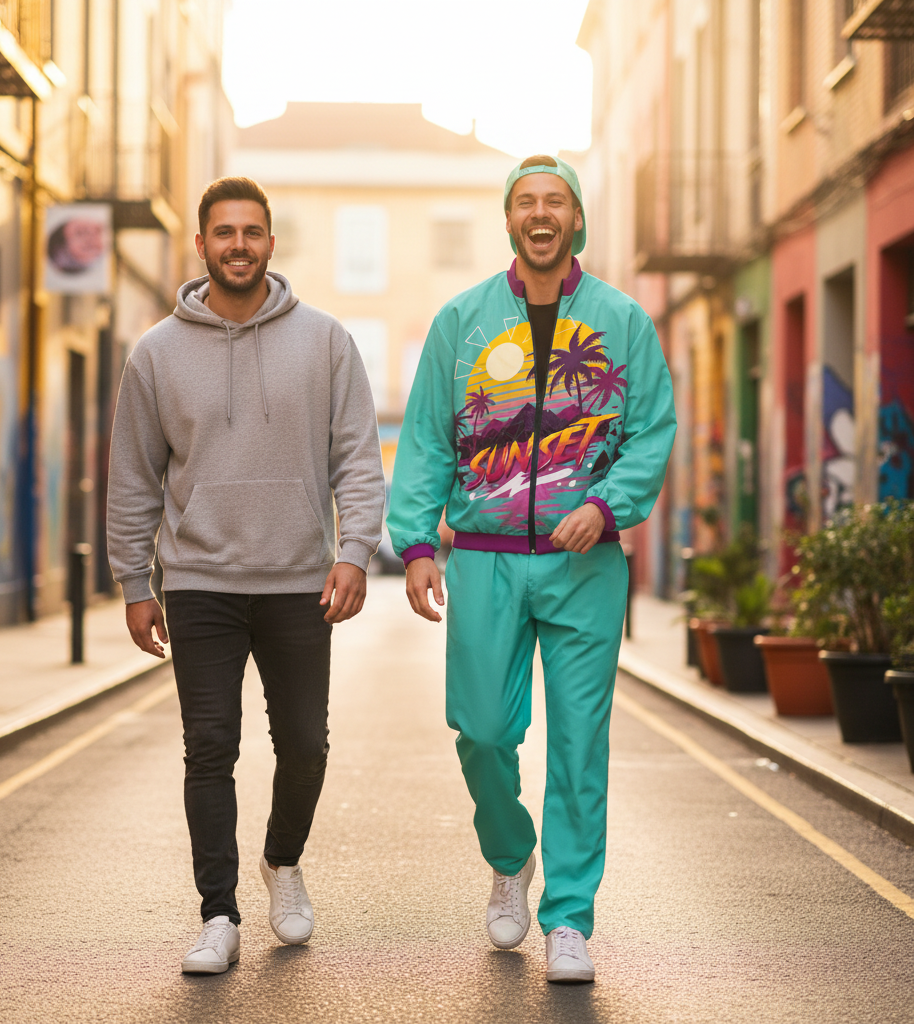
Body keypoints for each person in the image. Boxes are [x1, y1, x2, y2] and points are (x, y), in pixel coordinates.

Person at [387, 155, 676, 984]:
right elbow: (428, 439)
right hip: (485, 560)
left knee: (580, 744)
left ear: (576, 219)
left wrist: (609, 506)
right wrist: (416, 544)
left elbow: (652, 429)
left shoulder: (623, 321)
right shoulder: (462, 320)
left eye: (556, 202)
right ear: (509, 219)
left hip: (586, 564)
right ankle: (511, 855)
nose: (541, 214)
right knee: (481, 732)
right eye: (526, 202)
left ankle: (570, 917)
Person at [107, 176, 384, 974]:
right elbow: (133, 476)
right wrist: (135, 582)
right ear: (201, 244)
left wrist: (354, 551)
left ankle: (282, 861)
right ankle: (218, 914)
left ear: (270, 241)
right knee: (209, 748)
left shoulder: (326, 340)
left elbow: (357, 458)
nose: (238, 245)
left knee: (305, 746)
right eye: (224, 232)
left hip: (299, 582)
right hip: (199, 583)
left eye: (251, 232)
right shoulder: (156, 352)